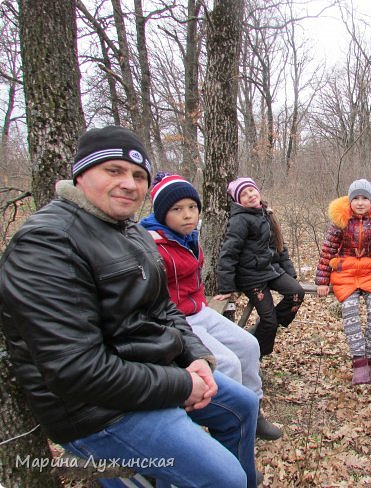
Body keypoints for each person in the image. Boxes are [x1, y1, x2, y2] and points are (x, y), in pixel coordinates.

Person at [0, 126, 259, 488]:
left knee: (243, 407)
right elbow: (76, 371)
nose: (129, 184)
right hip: (96, 410)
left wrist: (196, 357)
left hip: (148, 372)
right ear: (80, 173)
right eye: (113, 170)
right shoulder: (47, 244)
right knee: (224, 477)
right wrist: (181, 384)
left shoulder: (130, 231)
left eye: (139, 176)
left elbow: (165, 308)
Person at [140, 172, 282, 441]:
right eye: (177, 209)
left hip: (199, 309)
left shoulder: (189, 237)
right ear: (161, 213)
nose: (187, 215)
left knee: (249, 346)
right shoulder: (151, 244)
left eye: (192, 207)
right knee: (226, 363)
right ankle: (235, 426)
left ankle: (255, 412)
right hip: (177, 319)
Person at [315, 179, 371, 385]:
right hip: (345, 271)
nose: (360, 203)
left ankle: (367, 358)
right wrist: (322, 280)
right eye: (356, 198)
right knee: (350, 308)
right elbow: (328, 251)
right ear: (349, 201)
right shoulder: (341, 221)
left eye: (365, 198)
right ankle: (359, 364)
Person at [215, 177, 304, 357]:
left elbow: (279, 246)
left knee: (296, 293)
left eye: (251, 190)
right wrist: (227, 286)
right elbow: (229, 253)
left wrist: (289, 273)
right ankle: (257, 356)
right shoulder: (240, 220)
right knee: (269, 321)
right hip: (251, 277)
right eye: (244, 194)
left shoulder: (265, 213)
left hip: (271, 270)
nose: (250, 195)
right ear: (238, 200)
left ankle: (264, 329)